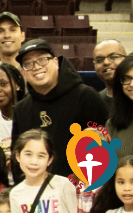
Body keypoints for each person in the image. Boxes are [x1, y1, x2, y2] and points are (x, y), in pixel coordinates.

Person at [10, 39, 109, 178]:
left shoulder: (85, 96)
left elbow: (105, 147)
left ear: (56, 62)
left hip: (81, 191)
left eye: (42, 59)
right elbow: (17, 157)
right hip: (36, 193)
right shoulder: (21, 109)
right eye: (28, 63)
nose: (36, 66)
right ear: (23, 72)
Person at [92, 40, 129, 115]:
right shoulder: (95, 102)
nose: (106, 62)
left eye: (113, 57)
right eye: (99, 60)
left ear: (127, 60)